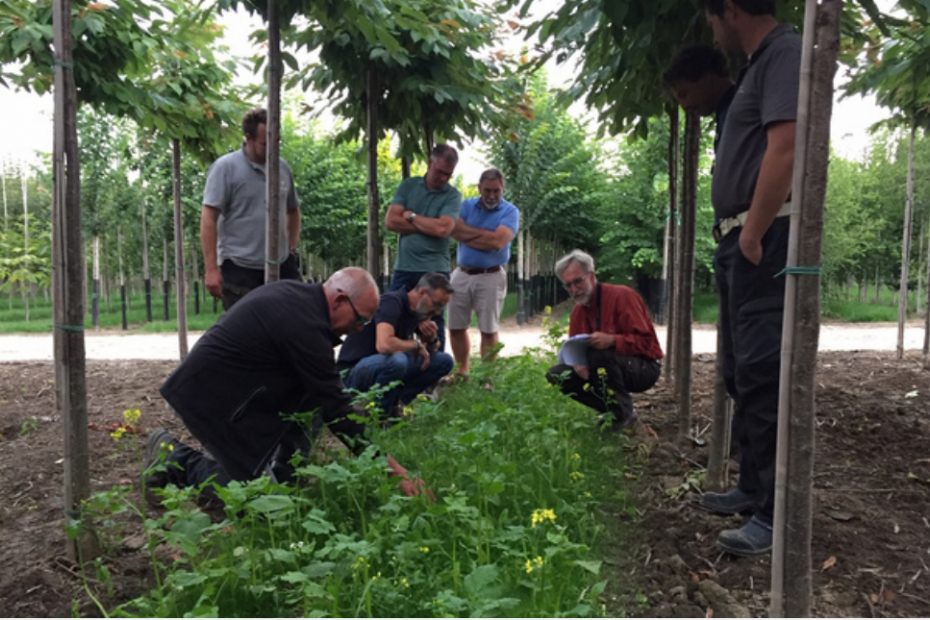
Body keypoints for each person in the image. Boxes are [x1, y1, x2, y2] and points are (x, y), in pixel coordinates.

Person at [145, 268, 429, 506]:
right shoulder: (305, 325)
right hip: (208, 399)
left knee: (314, 398)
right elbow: (339, 412)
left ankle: (286, 476)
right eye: (360, 319)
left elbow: (323, 396)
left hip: (233, 394)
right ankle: (172, 457)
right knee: (263, 507)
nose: (360, 329)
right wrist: (396, 471)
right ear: (340, 300)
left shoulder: (303, 302)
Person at [698, 0, 801, 557]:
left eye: (711, 18)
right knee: (741, 371)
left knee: (763, 372)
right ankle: (753, 487)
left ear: (731, 9)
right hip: (741, 240)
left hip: (765, 238)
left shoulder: (784, 53)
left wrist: (754, 234)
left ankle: (774, 514)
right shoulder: (758, 65)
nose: (712, 32)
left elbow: (785, 147)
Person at [546, 250, 664, 431]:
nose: (574, 290)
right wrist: (577, 363)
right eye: (568, 285)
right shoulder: (577, 312)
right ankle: (616, 410)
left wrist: (614, 340)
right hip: (601, 368)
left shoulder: (622, 296)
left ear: (592, 276)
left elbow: (648, 344)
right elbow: (575, 348)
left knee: (599, 354)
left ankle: (621, 414)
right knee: (557, 374)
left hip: (643, 368)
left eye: (578, 281)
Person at [201, 107, 302, 311]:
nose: (272, 149)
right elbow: (209, 218)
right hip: (240, 268)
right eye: (265, 143)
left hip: (282, 264)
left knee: (296, 320)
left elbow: (293, 210)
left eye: (276, 143)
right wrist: (211, 268)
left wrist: (291, 249)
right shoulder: (225, 168)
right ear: (249, 137)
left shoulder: (282, 168)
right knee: (247, 327)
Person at [337, 272, 455, 415]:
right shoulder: (391, 303)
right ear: (422, 293)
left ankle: (395, 403)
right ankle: (380, 414)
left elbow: (431, 351)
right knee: (398, 361)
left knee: (444, 361)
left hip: (382, 366)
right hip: (352, 372)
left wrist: (432, 339)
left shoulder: (418, 311)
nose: (437, 312)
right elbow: (384, 345)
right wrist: (416, 345)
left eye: (441, 308)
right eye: (436, 305)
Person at [384, 144, 462, 350]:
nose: (443, 178)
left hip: (435, 269)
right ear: (429, 162)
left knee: (433, 323)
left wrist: (411, 216)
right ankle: (394, 362)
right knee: (392, 316)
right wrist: (430, 225)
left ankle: (436, 364)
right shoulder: (408, 186)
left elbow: (443, 229)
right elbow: (391, 221)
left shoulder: (453, 195)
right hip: (405, 267)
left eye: (448, 175)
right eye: (440, 172)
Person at [448, 168, 520, 379]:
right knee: (455, 326)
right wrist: (486, 237)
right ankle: (462, 372)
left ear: (502, 189)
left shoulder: (510, 212)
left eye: (496, 191)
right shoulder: (466, 206)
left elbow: (498, 241)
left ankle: (487, 377)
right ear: (479, 188)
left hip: (491, 276)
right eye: (487, 190)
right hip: (461, 274)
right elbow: (454, 231)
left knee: (488, 329)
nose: (491, 196)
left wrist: (467, 234)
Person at [663, 44, 736, 153]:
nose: (684, 106)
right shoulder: (728, 112)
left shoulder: (737, 112)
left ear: (706, 78)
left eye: (684, 94)